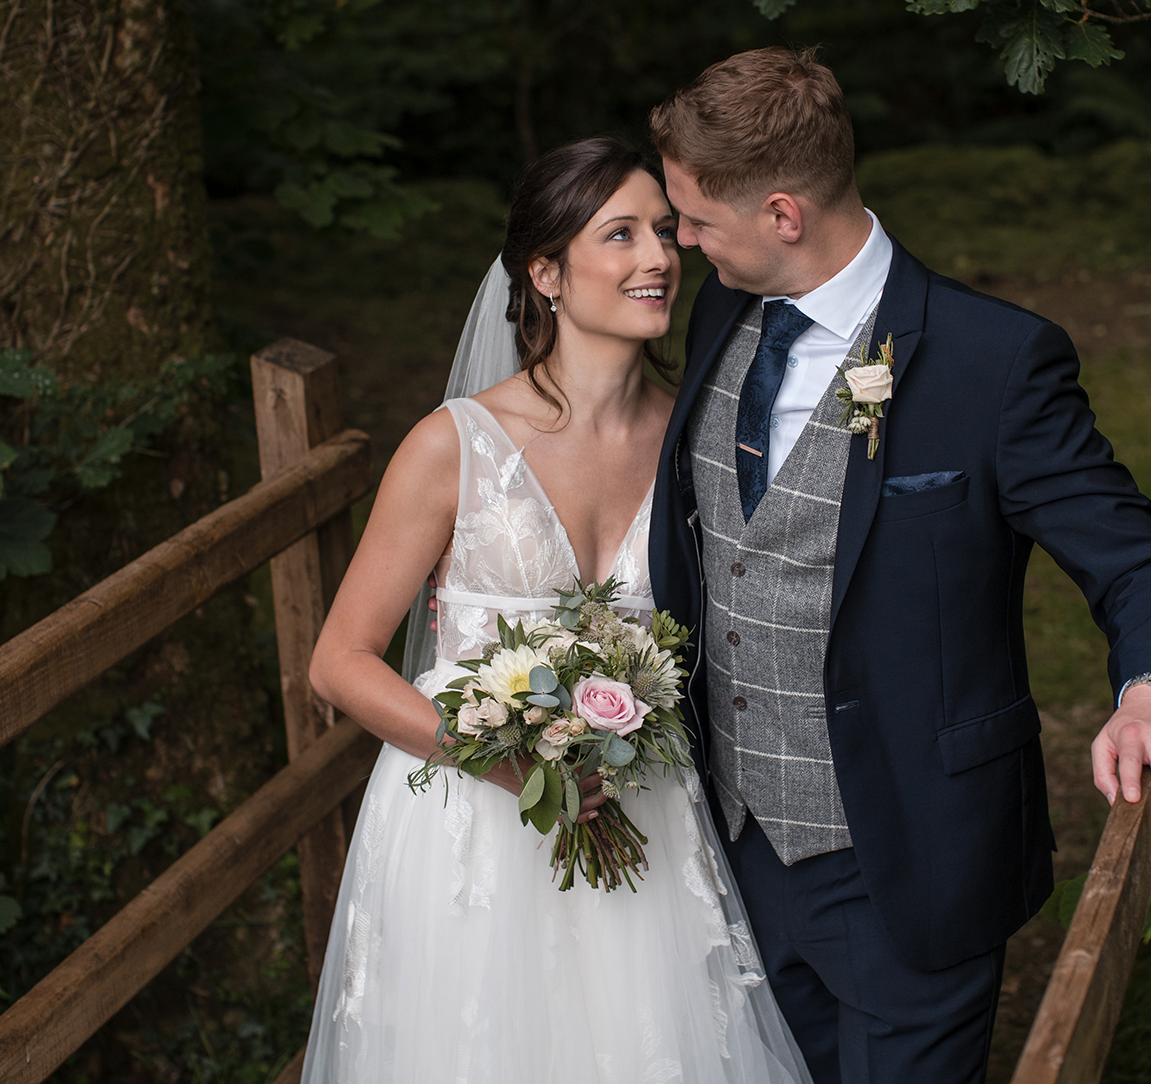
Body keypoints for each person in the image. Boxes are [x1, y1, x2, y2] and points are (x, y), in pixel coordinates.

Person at [647, 48, 1151, 1084]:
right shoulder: (724, 310)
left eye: (694, 217)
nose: (678, 240)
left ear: (783, 213)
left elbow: (1136, 561)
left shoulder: (994, 361)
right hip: (731, 846)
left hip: (908, 858)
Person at [299, 138, 812, 1083]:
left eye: (666, 230)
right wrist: (509, 763)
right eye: (619, 234)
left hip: (642, 809)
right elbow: (340, 662)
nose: (657, 257)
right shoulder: (454, 446)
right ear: (546, 273)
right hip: (470, 836)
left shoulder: (696, 441)